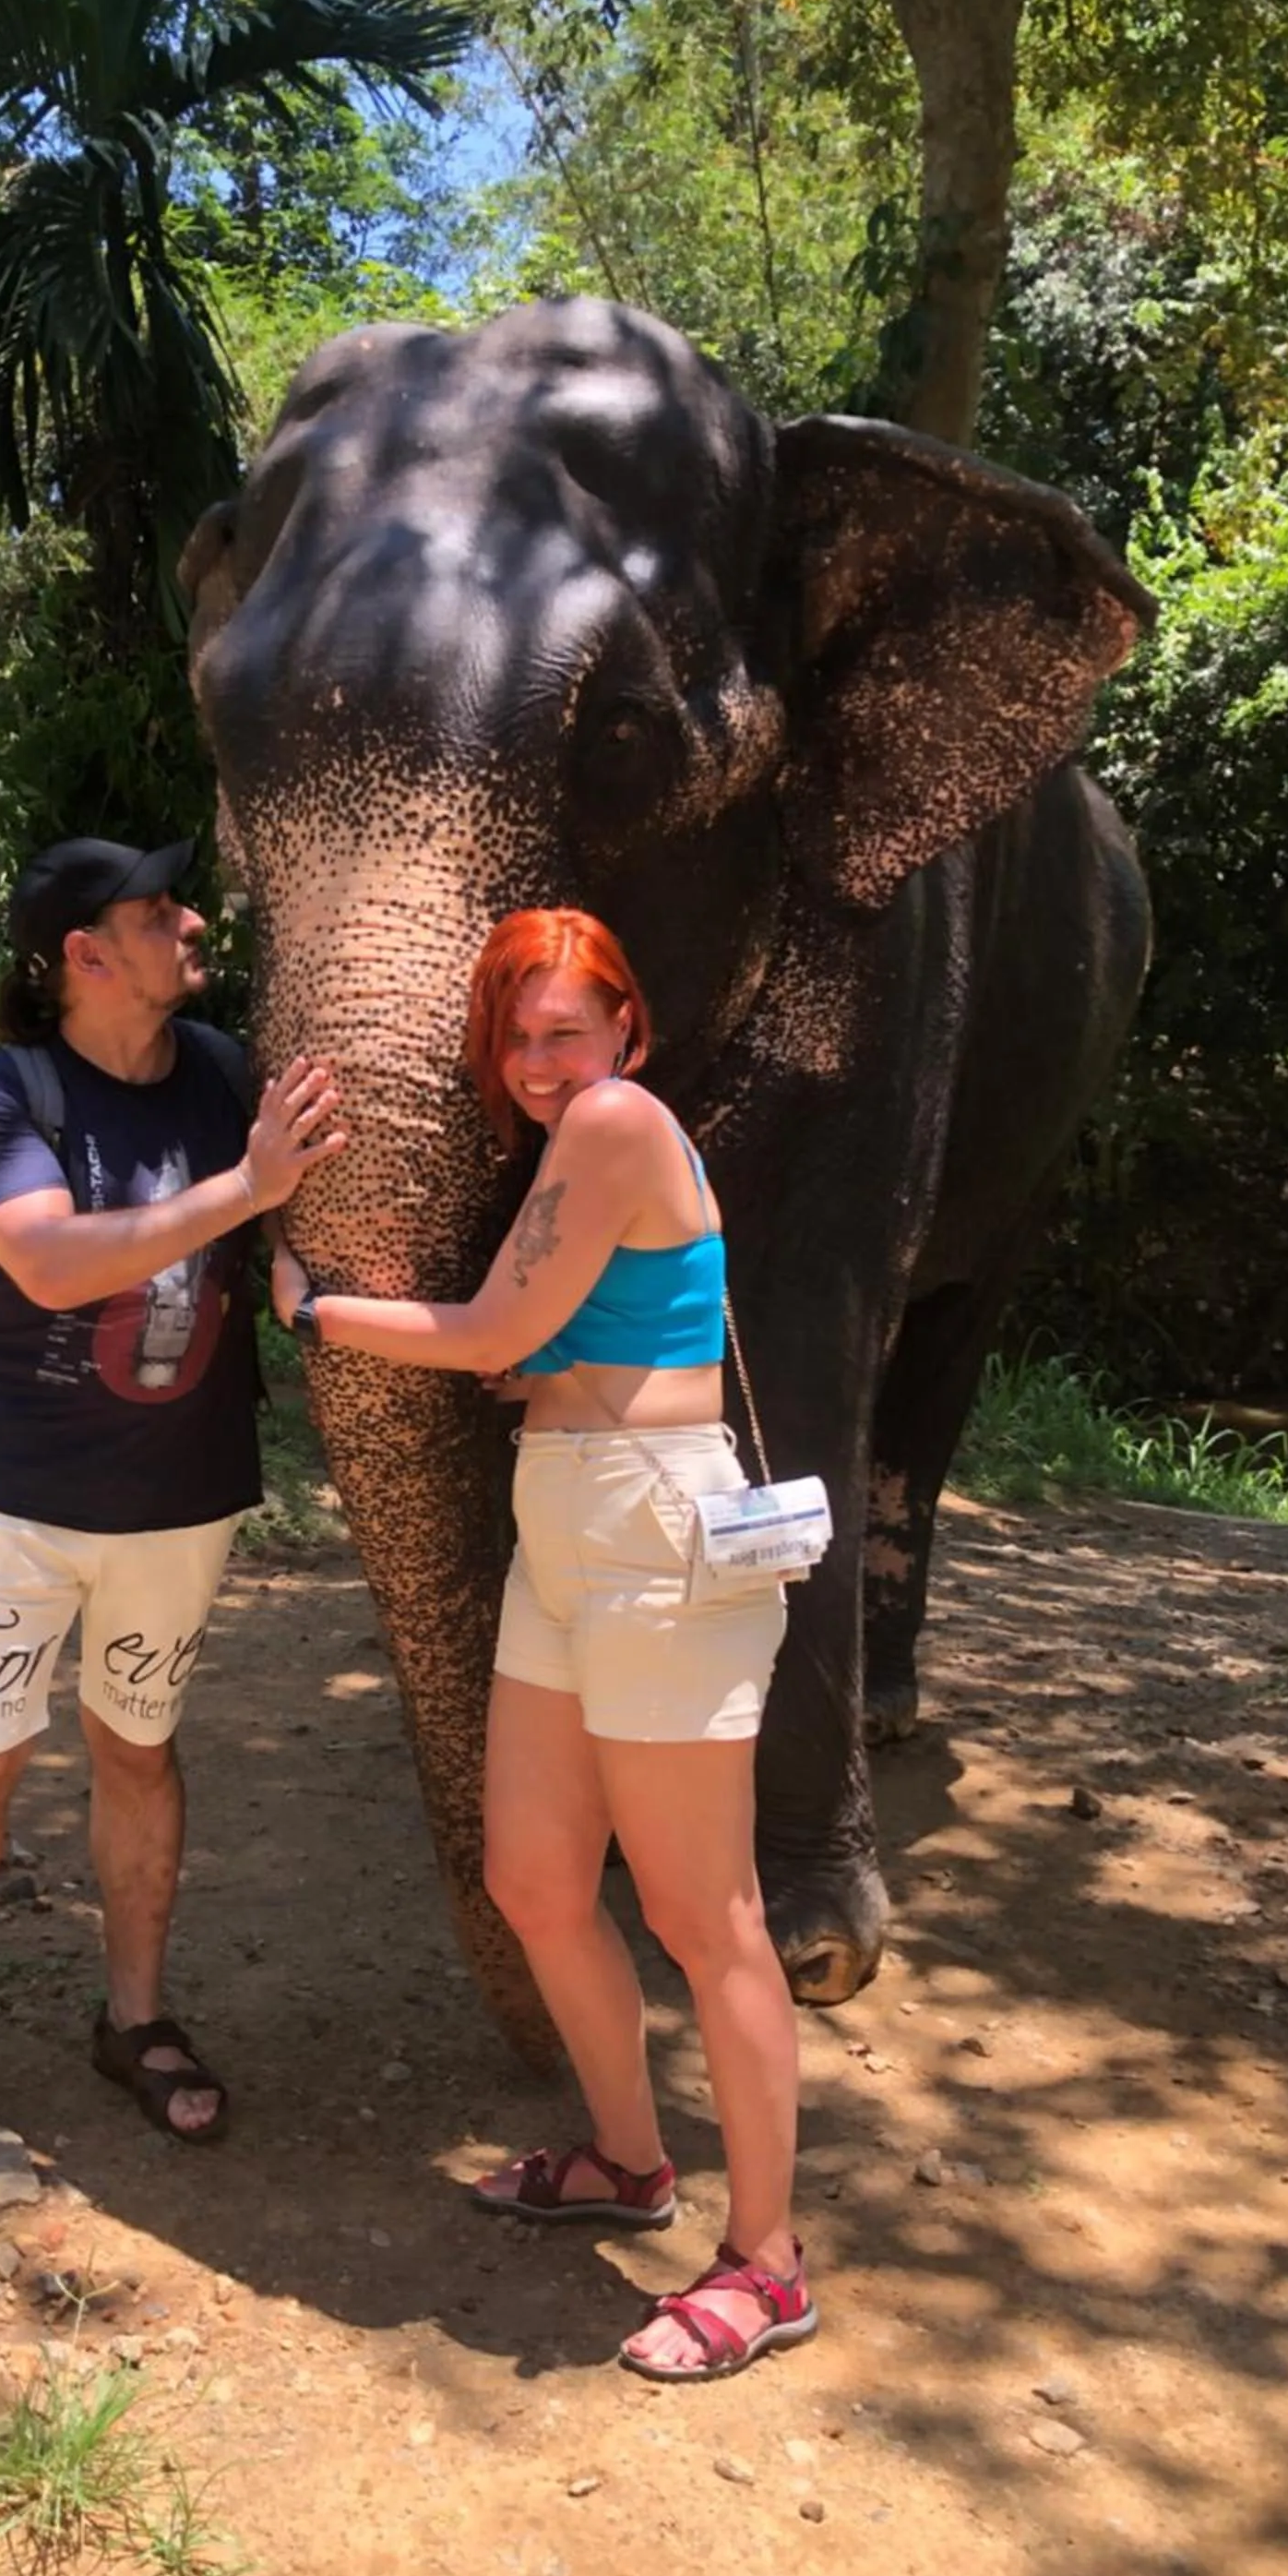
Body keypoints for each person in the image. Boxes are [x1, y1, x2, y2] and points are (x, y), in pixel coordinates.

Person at [270, 906, 813, 2380]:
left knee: (707, 1920)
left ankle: (766, 2262)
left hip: (650, 1535)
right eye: (512, 1035)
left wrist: (317, 1310)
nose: (533, 1060)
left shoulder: (616, 1121)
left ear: (626, 1027)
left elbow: (484, 1330)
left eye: (561, 1029)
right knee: (533, 1878)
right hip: (570, 1529)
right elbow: (550, 1334)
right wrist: (536, 1363)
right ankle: (629, 2162)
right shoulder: (577, 1142)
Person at [0, 833, 341, 2142]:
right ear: (83, 955)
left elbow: (290, 1223)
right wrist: (246, 1187)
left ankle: (133, 2016)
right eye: (156, 911)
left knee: (138, 1749)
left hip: (178, 1493)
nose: (190, 923)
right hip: (9, 1494)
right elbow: (52, 1265)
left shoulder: (226, 1075)